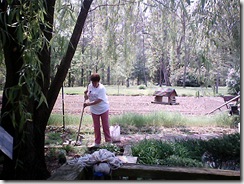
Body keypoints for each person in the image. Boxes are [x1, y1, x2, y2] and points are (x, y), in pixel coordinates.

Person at [84, 73, 112, 147]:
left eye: (95, 82)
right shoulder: (90, 86)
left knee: (105, 125)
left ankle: (108, 141)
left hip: (103, 108)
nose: (93, 84)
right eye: (92, 82)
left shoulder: (102, 88)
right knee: (96, 126)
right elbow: (88, 95)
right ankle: (97, 142)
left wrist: (88, 104)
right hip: (94, 110)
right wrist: (85, 95)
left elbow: (99, 100)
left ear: (98, 81)